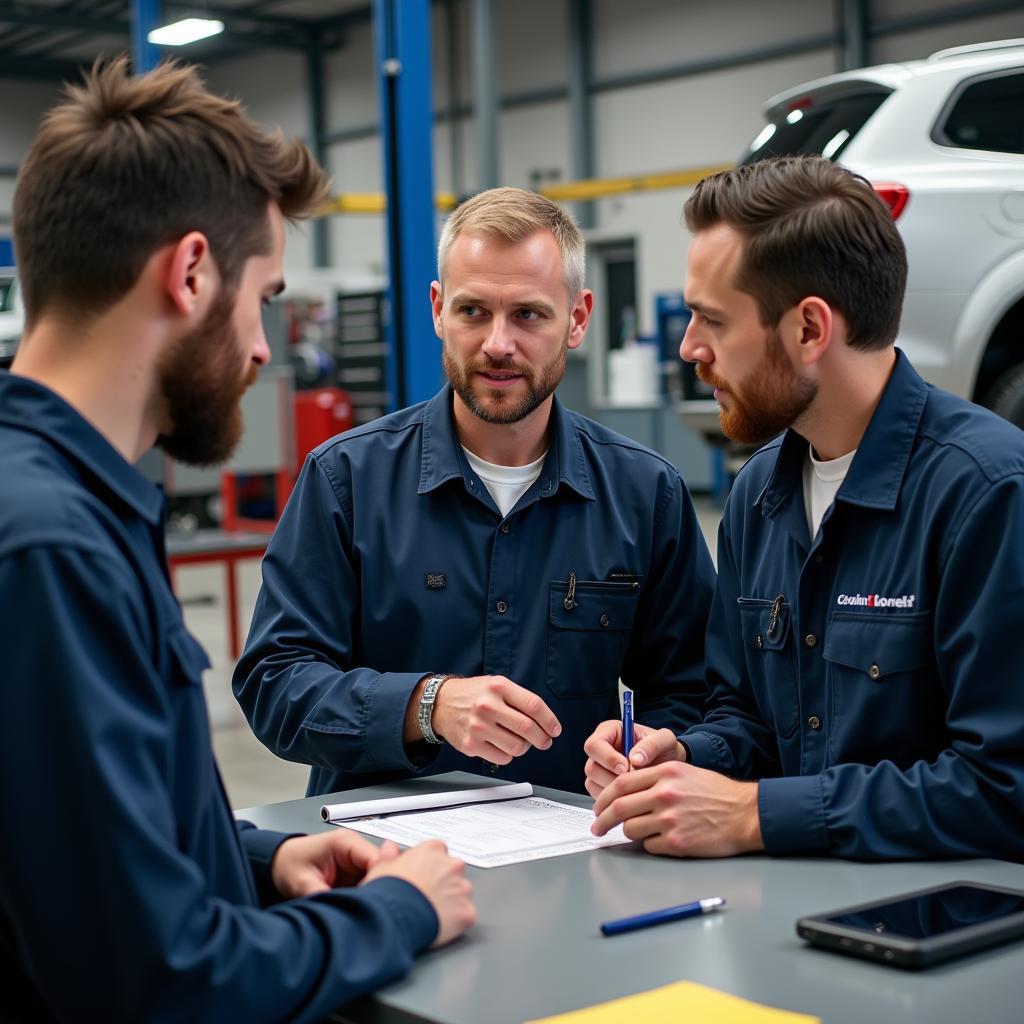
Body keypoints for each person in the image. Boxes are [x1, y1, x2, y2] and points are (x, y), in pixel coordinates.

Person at [0, 58, 474, 1023]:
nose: (264, 347)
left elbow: (83, 849)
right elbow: (157, 981)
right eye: (262, 295)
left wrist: (258, 858)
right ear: (189, 274)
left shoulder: (65, 507)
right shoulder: (51, 551)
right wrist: (396, 912)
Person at [586, 155, 1024, 861]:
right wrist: (687, 757)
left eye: (713, 320)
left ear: (811, 330)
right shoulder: (758, 498)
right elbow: (748, 718)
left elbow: (1006, 788)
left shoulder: (988, 495)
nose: (689, 347)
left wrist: (757, 815)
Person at [234, 186, 716, 797]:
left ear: (578, 318)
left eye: (528, 314)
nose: (497, 344)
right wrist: (426, 705)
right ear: (438, 310)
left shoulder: (647, 495)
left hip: (570, 862)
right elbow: (274, 683)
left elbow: (694, 690)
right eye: (472, 311)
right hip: (386, 867)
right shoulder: (345, 481)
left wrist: (653, 745)